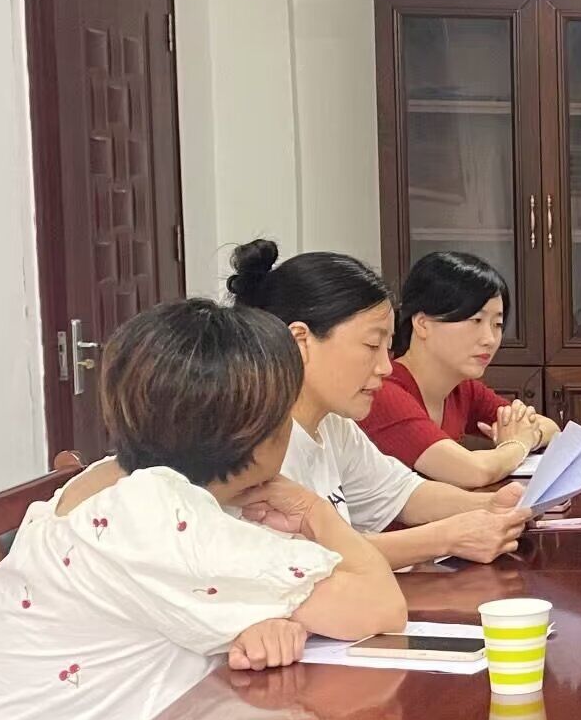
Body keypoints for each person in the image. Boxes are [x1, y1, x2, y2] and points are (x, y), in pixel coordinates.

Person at [0, 298, 406, 720]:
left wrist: (267, 617)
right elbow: (380, 606)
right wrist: (318, 512)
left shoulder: (112, 479)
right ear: (255, 436)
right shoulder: (161, 516)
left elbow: (189, 605)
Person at [227, 240, 534, 567]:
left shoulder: (334, 425)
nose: (386, 368)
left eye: (387, 348)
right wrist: (449, 537)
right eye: (372, 345)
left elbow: (402, 494)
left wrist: (494, 506)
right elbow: (305, 561)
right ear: (300, 341)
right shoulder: (249, 441)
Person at [363, 251, 558, 487]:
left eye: (497, 324)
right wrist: (518, 443)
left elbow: (550, 428)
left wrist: (527, 434)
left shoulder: (463, 389)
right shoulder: (383, 391)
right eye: (475, 321)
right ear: (422, 324)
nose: (489, 339)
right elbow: (474, 472)